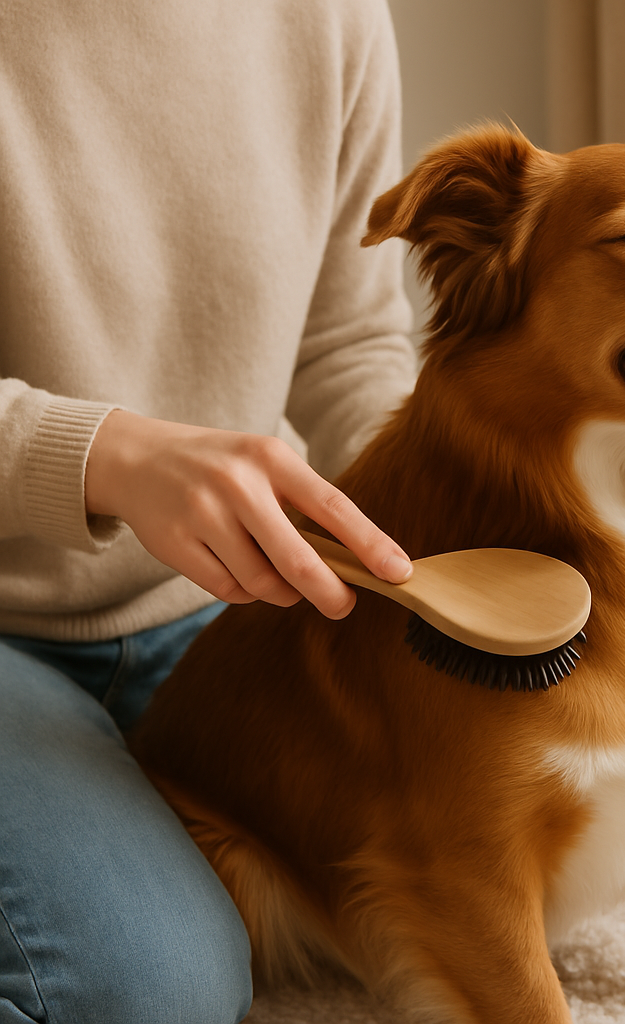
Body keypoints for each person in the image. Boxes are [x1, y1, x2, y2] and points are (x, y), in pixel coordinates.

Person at [0, 1, 418, 1021]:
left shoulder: (329, 16)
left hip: (229, 604)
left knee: (494, 853)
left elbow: (349, 342)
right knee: (143, 990)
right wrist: (105, 453)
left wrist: (433, 514)